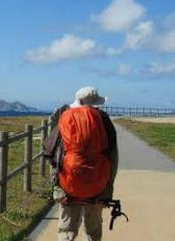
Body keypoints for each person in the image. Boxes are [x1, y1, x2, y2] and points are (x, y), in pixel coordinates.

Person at [43, 86, 118, 241]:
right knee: (93, 231)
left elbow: (52, 154)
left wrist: (57, 188)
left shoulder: (65, 117)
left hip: (68, 184)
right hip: (97, 185)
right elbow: (112, 158)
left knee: (66, 230)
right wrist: (107, 190)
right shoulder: (103, 119)